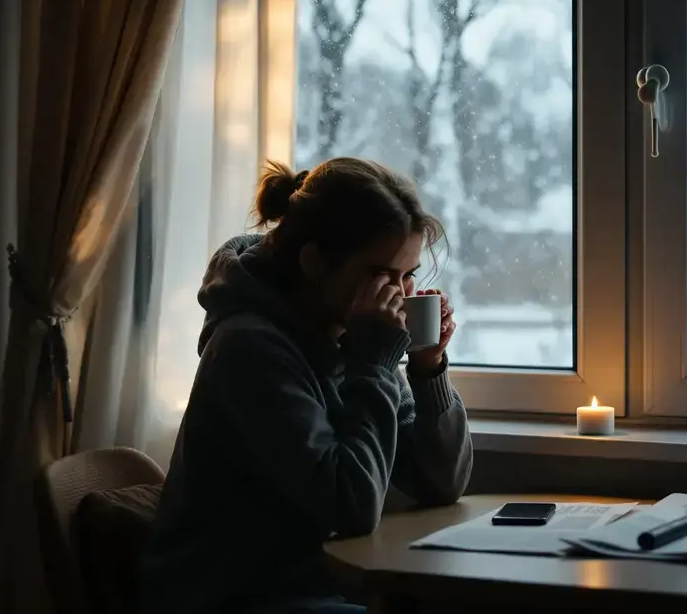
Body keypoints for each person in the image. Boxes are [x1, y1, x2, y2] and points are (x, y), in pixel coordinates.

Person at [138, 158, 474, 614]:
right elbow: (349, 506)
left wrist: (428, 369)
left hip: (316, 587)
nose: (399, 296)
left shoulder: (350, 332)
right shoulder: (249, 348)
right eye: (383, 275)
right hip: (235, 597)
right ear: (315, 262)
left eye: (409, 276)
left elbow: (440, 483)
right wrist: (374, 364)